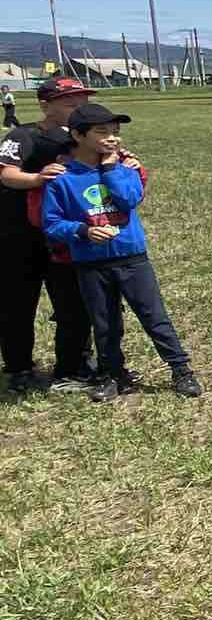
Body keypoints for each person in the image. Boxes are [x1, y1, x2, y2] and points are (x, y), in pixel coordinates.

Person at [39, 102, 202, 400]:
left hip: (132, 259)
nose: (112, 138)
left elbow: (128, 200)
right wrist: (82, 231)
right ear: (77, 134)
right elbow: (51, 223)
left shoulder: (124, 168)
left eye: (115, 132)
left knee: (154, 316)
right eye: (102, 132)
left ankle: (181, 371)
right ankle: (111, 375)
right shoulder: (62, 178)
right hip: (91, 263)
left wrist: (111, 167)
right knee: (105, 324)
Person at [0, 77, 97, 394]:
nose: (79, 107)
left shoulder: (84, 137)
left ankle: (73, 366)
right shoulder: (25, 134)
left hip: (65, 236)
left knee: (74, 304)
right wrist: (37, 178)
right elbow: (7, 173)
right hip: (20, 236)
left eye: (82, 101)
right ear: (45, 104)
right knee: (18, 305)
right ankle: (19, 369)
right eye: (71, 102)